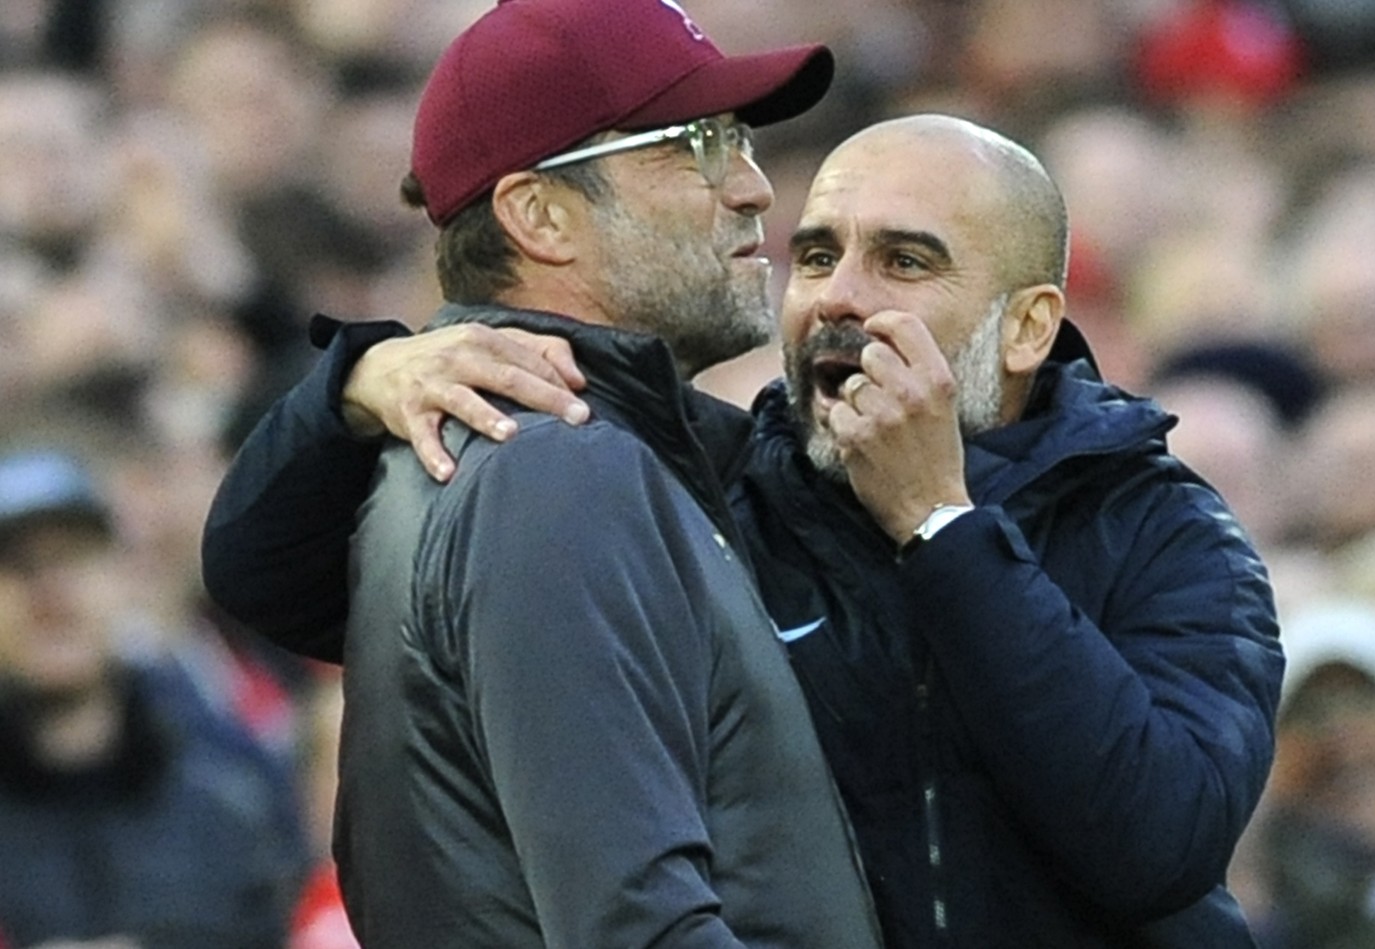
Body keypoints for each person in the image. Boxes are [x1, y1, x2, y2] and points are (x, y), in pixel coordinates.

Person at [204, 112, 1284, 946]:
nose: (838, 299)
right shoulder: (719, 486)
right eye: (815, 257)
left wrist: (941, 525)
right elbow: (272, 579)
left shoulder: (1167, 530)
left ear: (1030, 327)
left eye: (905, 262)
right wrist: (359, 380)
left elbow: (1157, 841)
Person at [206, 1, 886, 948]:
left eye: (738, 140)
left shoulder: (591, 452)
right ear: (538, 215)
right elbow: (639, 927)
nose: (752, 188)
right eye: (695, 145)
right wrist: (349, 382)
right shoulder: (557, 469)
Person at [0, 447, 304, 949]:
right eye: (17, 566)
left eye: (71, 558)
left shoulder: (235, 779)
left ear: (122, 576)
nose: (49, 590)